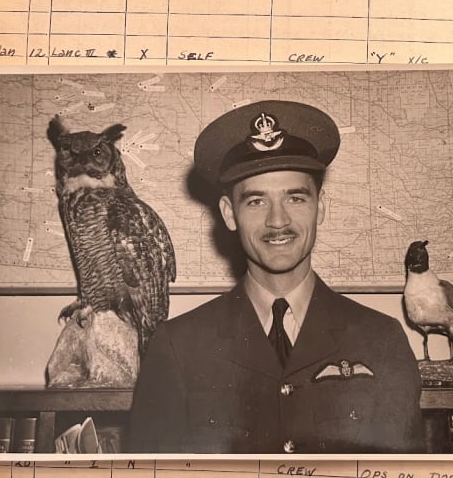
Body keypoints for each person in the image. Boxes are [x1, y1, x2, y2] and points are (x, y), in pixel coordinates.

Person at [127, 100, 424, 454]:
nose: (278, 221)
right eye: (256, 202)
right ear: (229, 213)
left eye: (296, 198)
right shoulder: (178, 347)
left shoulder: (382, 341)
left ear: (321, 207)